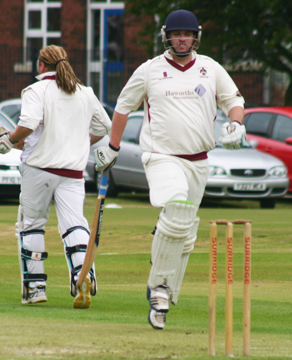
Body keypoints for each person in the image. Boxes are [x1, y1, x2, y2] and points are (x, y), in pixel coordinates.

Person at [94, 9, 246, 329]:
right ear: (166, 35)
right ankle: (159, 290)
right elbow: (124, 107)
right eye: (176, 34)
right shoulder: (150, 70)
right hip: (160, 156)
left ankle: (166, 287)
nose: (181, 39)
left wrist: (236, 123)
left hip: (198, 161)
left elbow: (233, 100)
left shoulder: (210, 68)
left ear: (196, 36)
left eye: (187, 34)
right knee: (177, 207)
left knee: (186, 231)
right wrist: (113, 146)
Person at [0, 45, 111, 309]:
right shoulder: (85, 93)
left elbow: (28, 125)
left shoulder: (36, 90)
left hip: (39, 171)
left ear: (41, 66)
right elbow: (104, 126)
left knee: (31, 224)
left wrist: (9, 140)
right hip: (73, 173)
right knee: (75, 225)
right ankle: (83, 276)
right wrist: (81, 141)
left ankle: (35, 288)